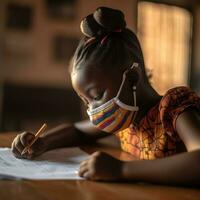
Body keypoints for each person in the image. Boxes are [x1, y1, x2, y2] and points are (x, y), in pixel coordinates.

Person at [11, 7, 200, 186]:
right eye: (86, 101)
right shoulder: (125, 120)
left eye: (97, 96)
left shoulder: (172, 109)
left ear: (132, 77)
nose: (93, 109)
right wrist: (44, 142)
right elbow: (79, 130)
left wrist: (122, 170)